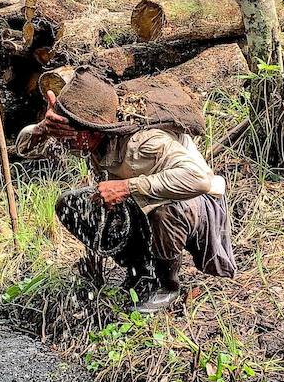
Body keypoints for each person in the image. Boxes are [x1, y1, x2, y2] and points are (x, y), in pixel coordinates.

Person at [17, 69, 236, 313]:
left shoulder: (144, 142)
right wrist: (43, 129)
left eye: (69, 135)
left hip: (197, 204)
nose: (64, 142)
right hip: (143, 200)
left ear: (92, 131)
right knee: (70, 204)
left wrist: (126, 187)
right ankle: (141, 271)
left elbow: (200, 180)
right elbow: (25, 150)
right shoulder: (87, 135)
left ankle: (167, 285)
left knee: (165, 209)